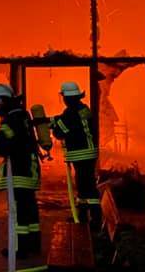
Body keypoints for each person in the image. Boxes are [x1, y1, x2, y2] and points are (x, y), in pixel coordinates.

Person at [0, 83, 42, 258]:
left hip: (18, 171)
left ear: (1, 101)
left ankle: (20, 248)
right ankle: (33, 244)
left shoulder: (9, 120)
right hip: (30, 167)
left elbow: (0, 149)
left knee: (18, 210)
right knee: (29, 207)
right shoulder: (23, 115)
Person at [50, 81, 101, 229]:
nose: (64, 100)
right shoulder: (83, 109)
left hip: (81, 153)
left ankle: (94, 220)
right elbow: (63, 120)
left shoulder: (70, 112)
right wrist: (50, 120)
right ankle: (83, 216)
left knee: (87, 186)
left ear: (67, 98)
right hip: (88, 152)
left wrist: (54, 128)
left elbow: (60, 133)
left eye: (64, 97)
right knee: (84, 184)